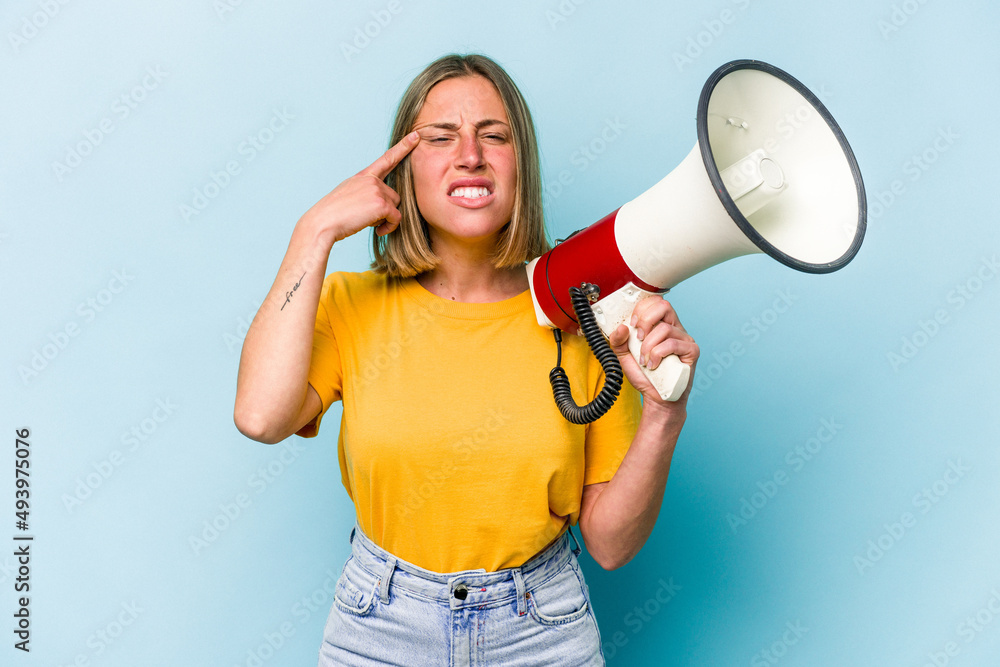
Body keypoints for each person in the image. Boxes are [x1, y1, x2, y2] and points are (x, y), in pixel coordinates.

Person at [234, 53, 699, 666]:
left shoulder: (580, 311)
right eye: (440, 137)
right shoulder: (348, 304)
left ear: (520, 165)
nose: (470, 155)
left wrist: (665, 416)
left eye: (494, 136)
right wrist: (314, 230)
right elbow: (261, 418)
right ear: (401, 171)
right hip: (382, 626)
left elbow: (611, 546)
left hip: (542, 628)